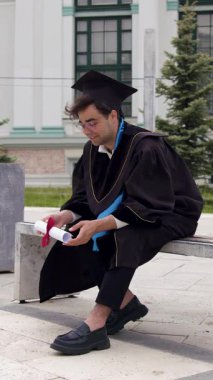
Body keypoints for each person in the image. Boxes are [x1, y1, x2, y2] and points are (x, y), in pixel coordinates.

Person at [39, 70, 203, 355]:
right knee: (80, 234)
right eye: (82, 124)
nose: (86, 130)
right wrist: (64, 216)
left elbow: (151, 204)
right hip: (138, 212)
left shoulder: (146, 146)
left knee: (121, 237)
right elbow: (85, 198)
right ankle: (126, 305)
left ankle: (97, 324)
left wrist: (101, 224)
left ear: (113, 116)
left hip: (170, 212)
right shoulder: (94, 149)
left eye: (92, 122)